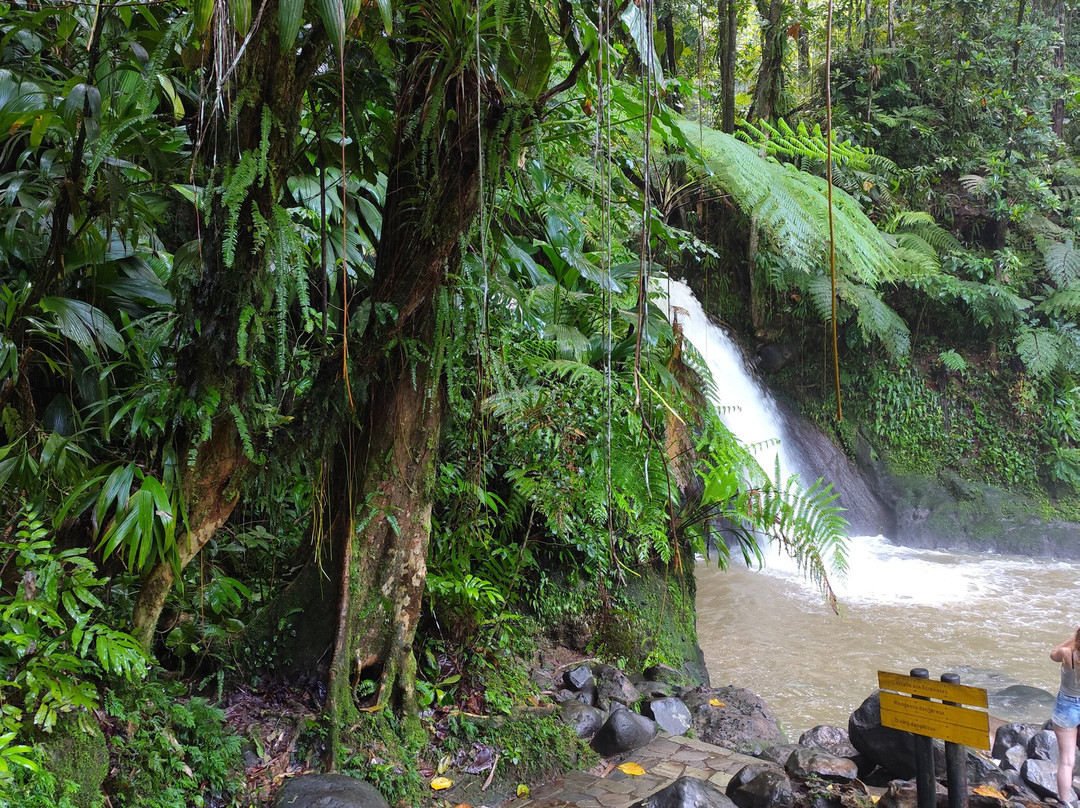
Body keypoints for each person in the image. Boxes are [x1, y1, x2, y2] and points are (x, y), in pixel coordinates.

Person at [1051, 626, 1080, 806]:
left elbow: (1052, 654)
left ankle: (1065, 803)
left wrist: (1072, 638)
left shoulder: (1066, 653)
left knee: (1067, 761)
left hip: (1066, 708)